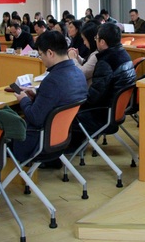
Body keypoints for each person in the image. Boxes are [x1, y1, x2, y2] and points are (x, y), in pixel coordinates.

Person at [11, 31, 88, 162]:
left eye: (41, 55)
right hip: (62, 137)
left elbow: (35, 118)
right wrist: (37, 96)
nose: (41, 59)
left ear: (50, 53)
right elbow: (58, 100)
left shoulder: (52, 80)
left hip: (38, 142)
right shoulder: (78, 73)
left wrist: (23, 99)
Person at [76, 23, 136, 135]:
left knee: (66, 112)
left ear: (102, 42)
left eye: (96, 38)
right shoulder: (124, 54)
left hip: (102, 116)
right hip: (115, 111)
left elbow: (93, 97)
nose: (95, 40)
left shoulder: (106, 62)